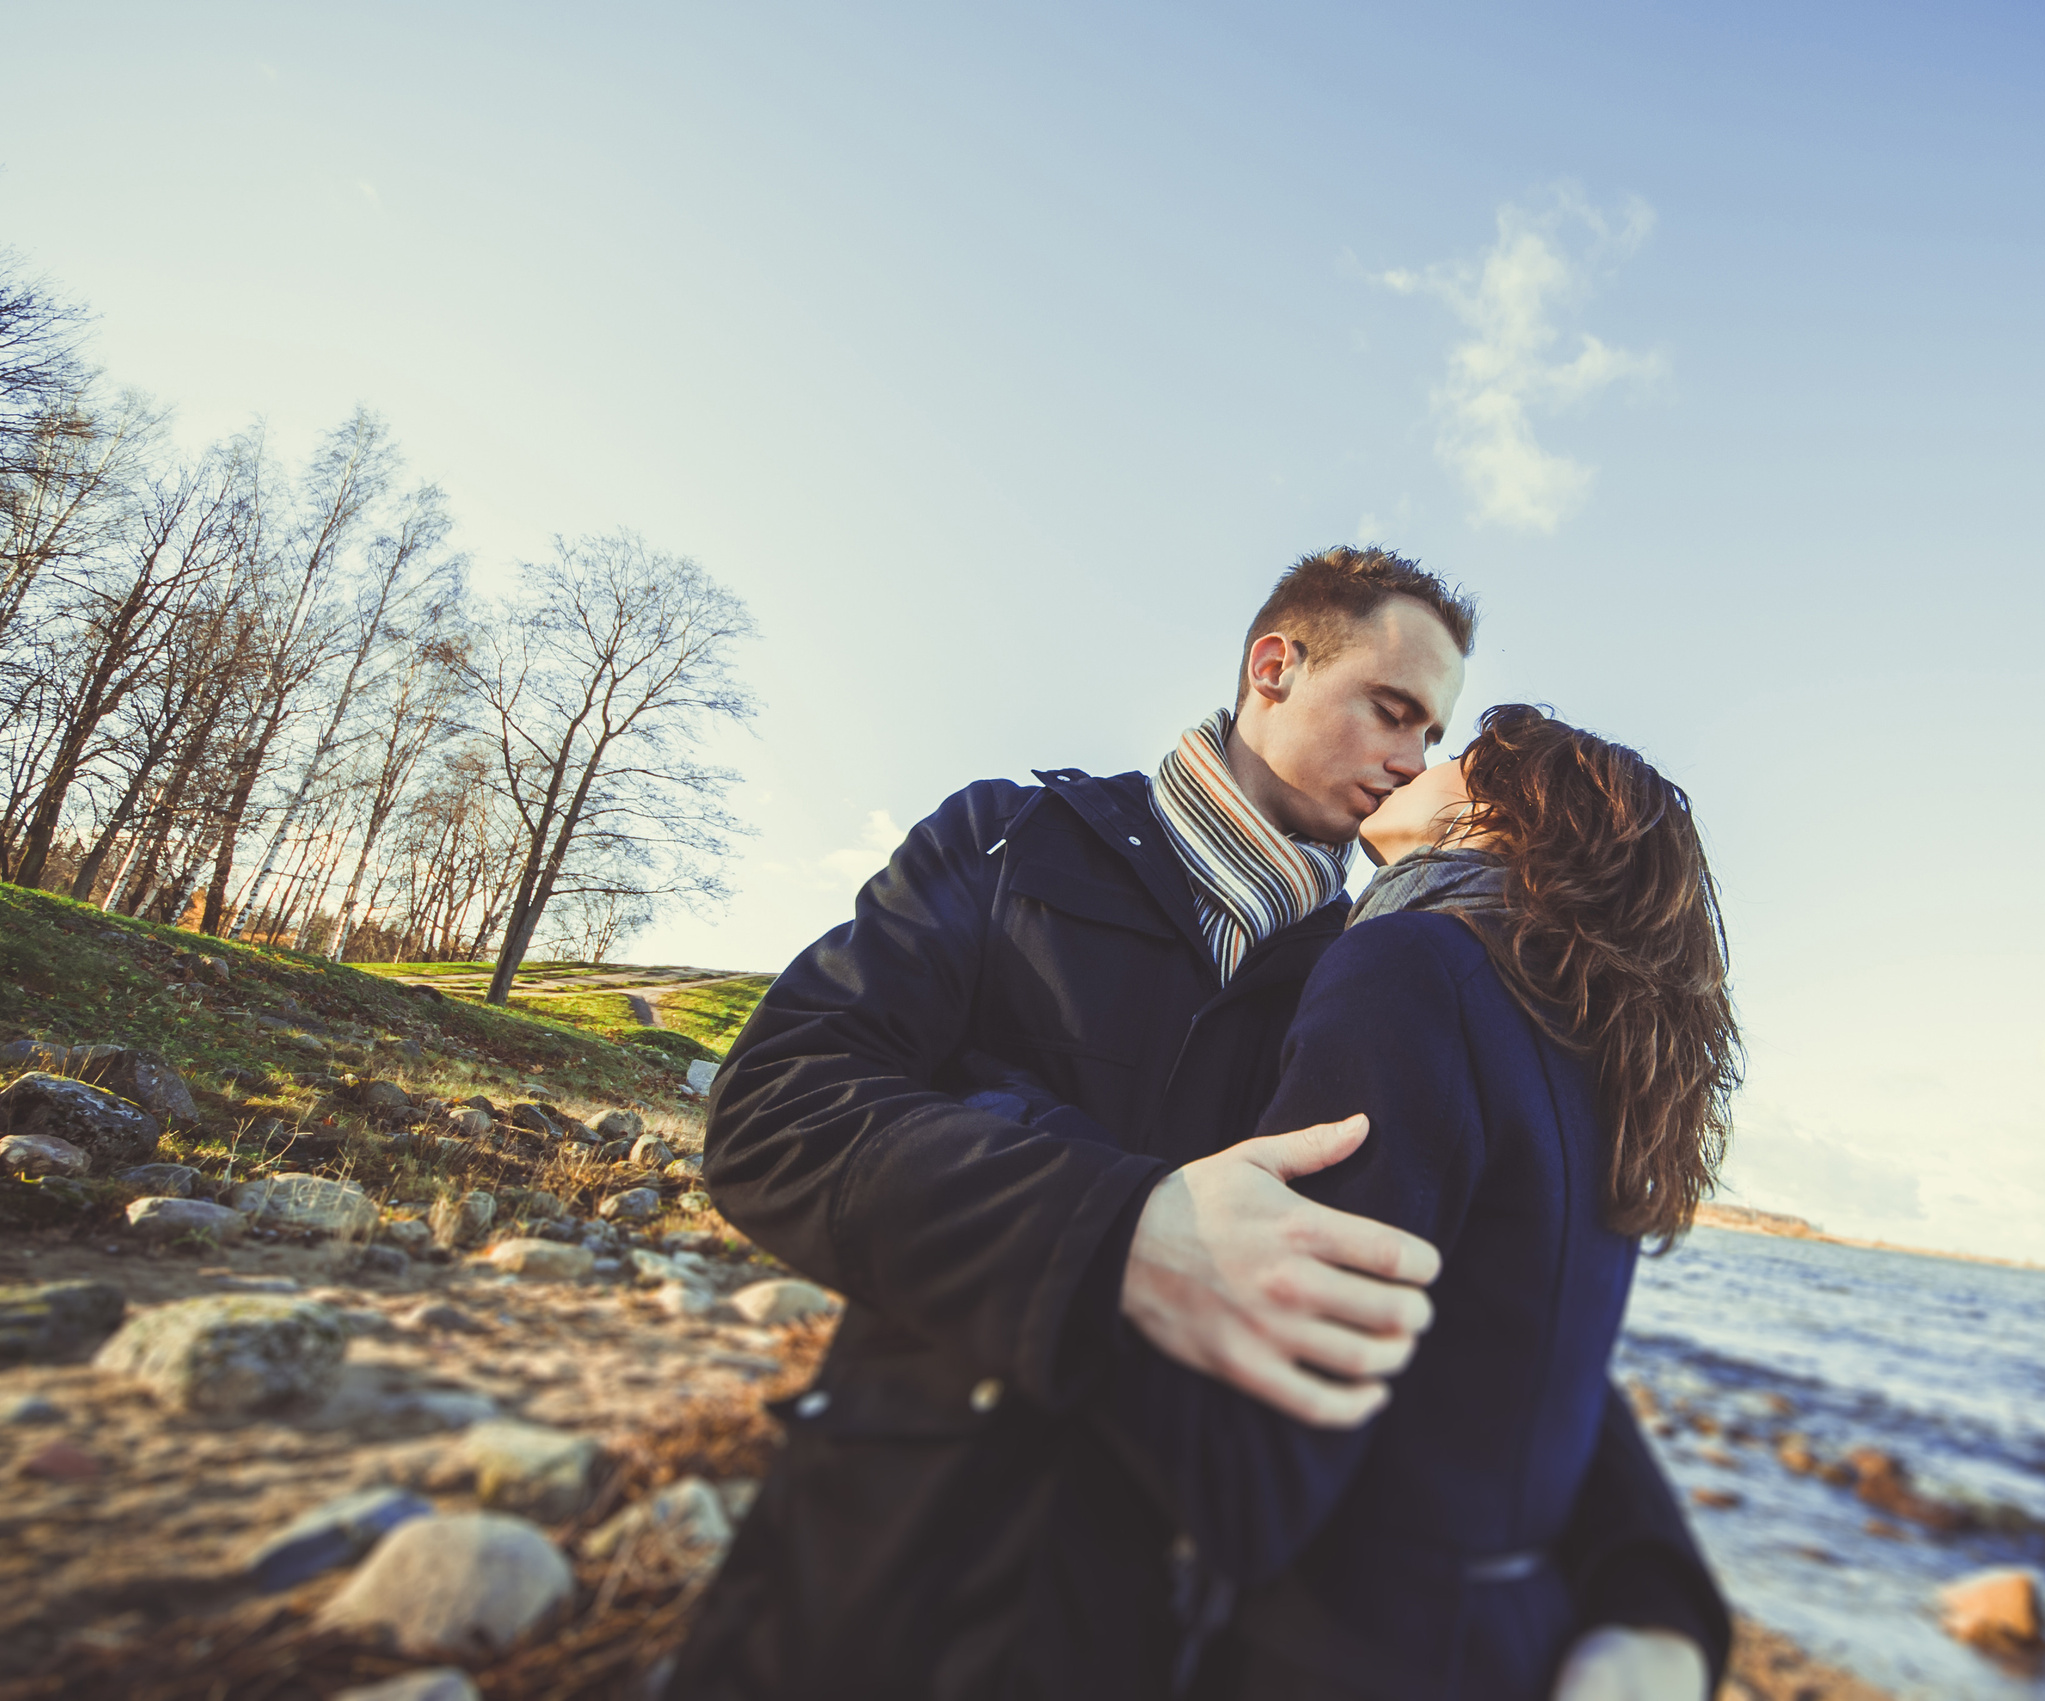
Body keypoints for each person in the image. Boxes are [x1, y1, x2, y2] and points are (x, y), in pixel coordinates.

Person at [669, 549, 1726, 1699]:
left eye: (1435, 736)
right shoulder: (1011, 842)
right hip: (887, 1557)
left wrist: (1649, 1588)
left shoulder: (1373, 972)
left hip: (1139, 1629)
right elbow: (772, 1111)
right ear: (1273, 667)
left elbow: (1464, 1295)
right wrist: (1118, 1225)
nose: (1413, 758)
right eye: (1394, 709)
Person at [1099, 704, 1745, 1701]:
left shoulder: (1415, 965)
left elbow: (1262, 1461)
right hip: (1514, 1637)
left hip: (1335, 1648)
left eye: (1459, 759)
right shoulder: (1595, 1041)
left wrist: (1082, 1230)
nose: (1419, 763)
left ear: (1504, 816)